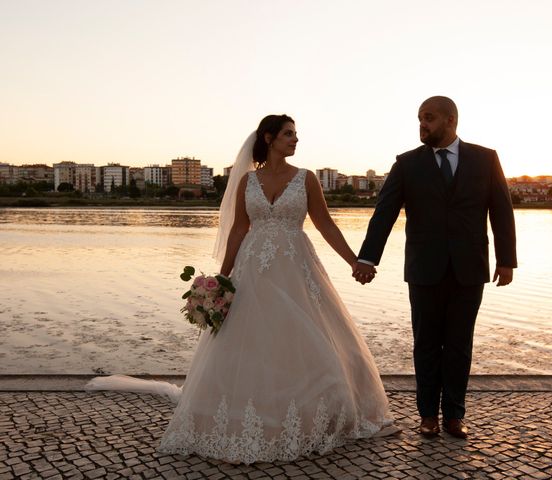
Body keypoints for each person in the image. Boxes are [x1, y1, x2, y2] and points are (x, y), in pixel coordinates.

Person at [87, 114, 394, 464]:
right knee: (248, 338)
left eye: (296, 134)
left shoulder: (307, 179)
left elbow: (325, 225)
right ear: (269, 137)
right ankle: (243, 412)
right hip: (252, 269)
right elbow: (237, 230)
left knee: (305, 336)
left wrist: (355, 261)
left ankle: (311, 416)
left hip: (296, 268)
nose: (296, 140)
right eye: (288, 134)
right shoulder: (247, 181)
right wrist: (221, 279)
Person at [353, 96, 517, 439]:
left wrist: (506, 260)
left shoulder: (486, 159)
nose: (422, 125)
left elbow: (501, 211)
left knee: (460, 343)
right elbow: (384, 213)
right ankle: (427, 415)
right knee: (426, 343)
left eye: (428, 118)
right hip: (423, 268)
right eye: (419, 119)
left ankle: (454, 416)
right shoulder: (407, 164)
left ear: (450, 120)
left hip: (470, 268)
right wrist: (367, 258)